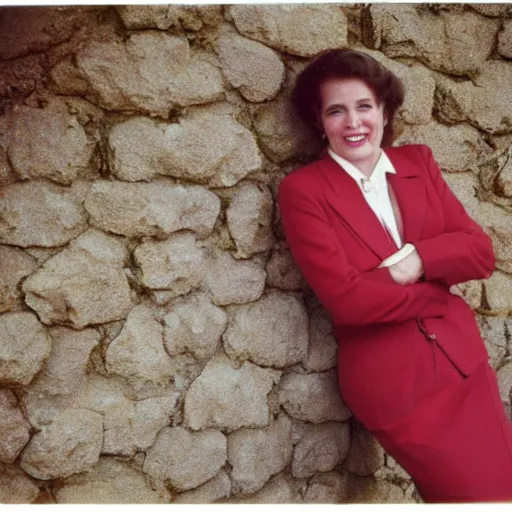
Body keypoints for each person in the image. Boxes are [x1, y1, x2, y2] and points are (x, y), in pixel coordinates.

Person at [278, 48, 512, 502]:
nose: (353, 123)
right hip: (394, 383)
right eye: (336, 111)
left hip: (465, 367)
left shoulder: (417, 164)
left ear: (384, 110)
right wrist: (436, 296)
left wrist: (417, 260)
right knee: (473, 496)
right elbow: (347, 300)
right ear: (319, 121)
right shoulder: (304, 191)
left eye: (364, 106)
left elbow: (480, 253)